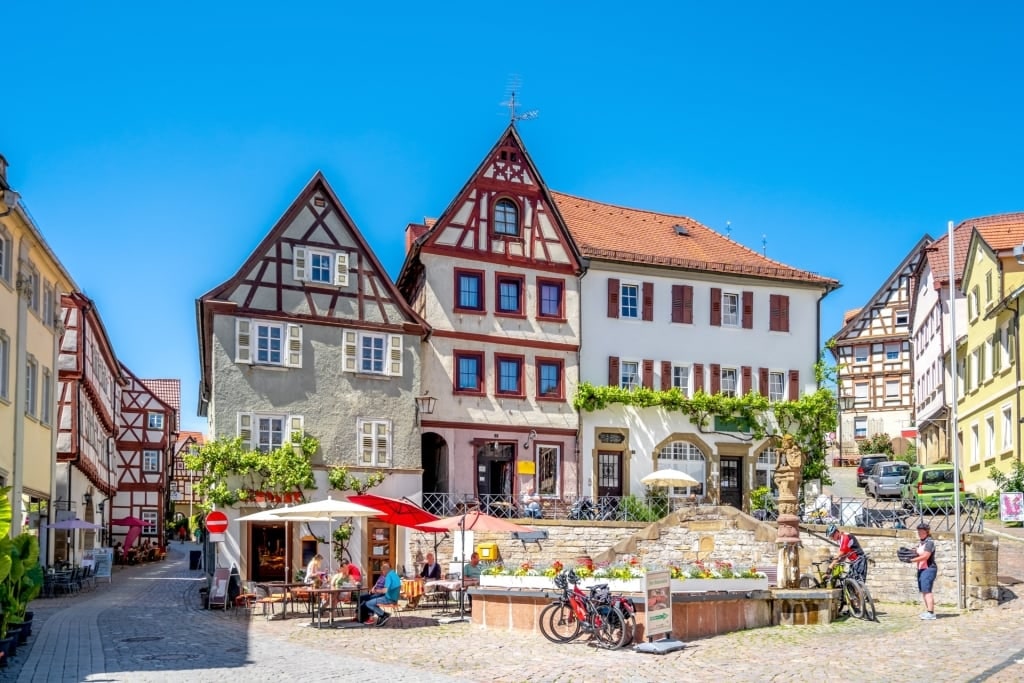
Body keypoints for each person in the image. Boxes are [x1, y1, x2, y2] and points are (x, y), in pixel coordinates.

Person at [358, 561, 400, 626]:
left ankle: (384, 615)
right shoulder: (394, 575)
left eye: (383, 570)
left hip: (388, 599)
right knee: (367, 599)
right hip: (394, 598)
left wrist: (376, 591)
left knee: (368, 603)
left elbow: (385, 591)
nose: (382, 571)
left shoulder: (389, 576)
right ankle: (381, 615)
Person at [910, 522, 937, 620]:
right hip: (921, 568)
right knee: (924, 591)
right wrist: (911, 552)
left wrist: (911, 560)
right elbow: (918, 552)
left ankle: (931, 613)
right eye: (919, 531)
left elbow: (925, 556)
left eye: (922, 531)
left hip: (928, 569)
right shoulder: (922, 542)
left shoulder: (929, 542)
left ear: (927, 532)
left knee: (927, 590)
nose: (920, 533)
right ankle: (928, 611)